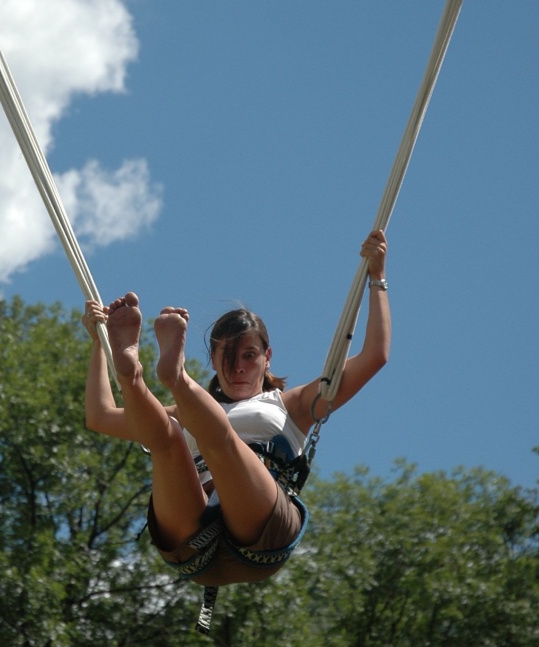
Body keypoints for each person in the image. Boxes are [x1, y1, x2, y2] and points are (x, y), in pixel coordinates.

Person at [82, 230, 389, 605]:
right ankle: (132, 376)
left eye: (248, 355)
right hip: (192, 541)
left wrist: (378, 278)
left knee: (219, 438)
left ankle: (174, 376)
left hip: (261, 530)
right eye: (227, 356)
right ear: (212, 361)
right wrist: (99, 345)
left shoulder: (292, 405)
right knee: (166, 437)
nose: (238, 367)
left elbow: (374, 355)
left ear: (267, 357)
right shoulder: (187, 412)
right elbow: (99, 416)